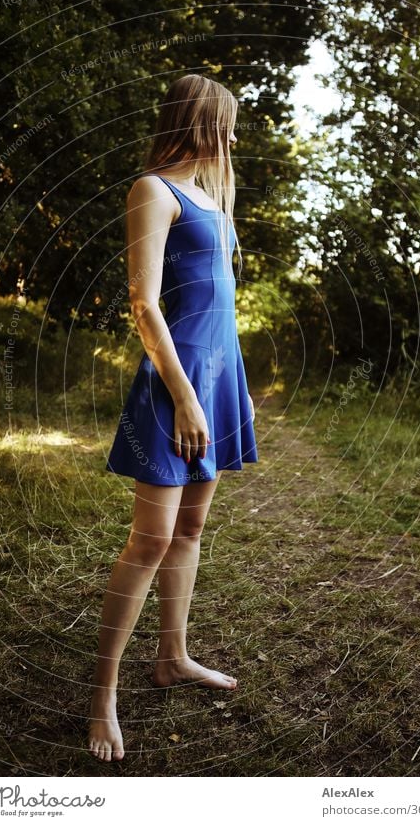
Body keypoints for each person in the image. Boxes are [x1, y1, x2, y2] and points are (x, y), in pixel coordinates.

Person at [88, 73, 259, 762]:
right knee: (149, 540)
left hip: (218, 387)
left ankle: (171, 657)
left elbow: (222, 312)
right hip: (171, 390)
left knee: (189, 529)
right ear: (203, 125)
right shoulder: (152, 192)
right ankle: (101, 695)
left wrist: (236, 389)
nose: (235, 139)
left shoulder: (217, 207)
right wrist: (186, 396)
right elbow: (144, 305)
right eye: (229, 125)